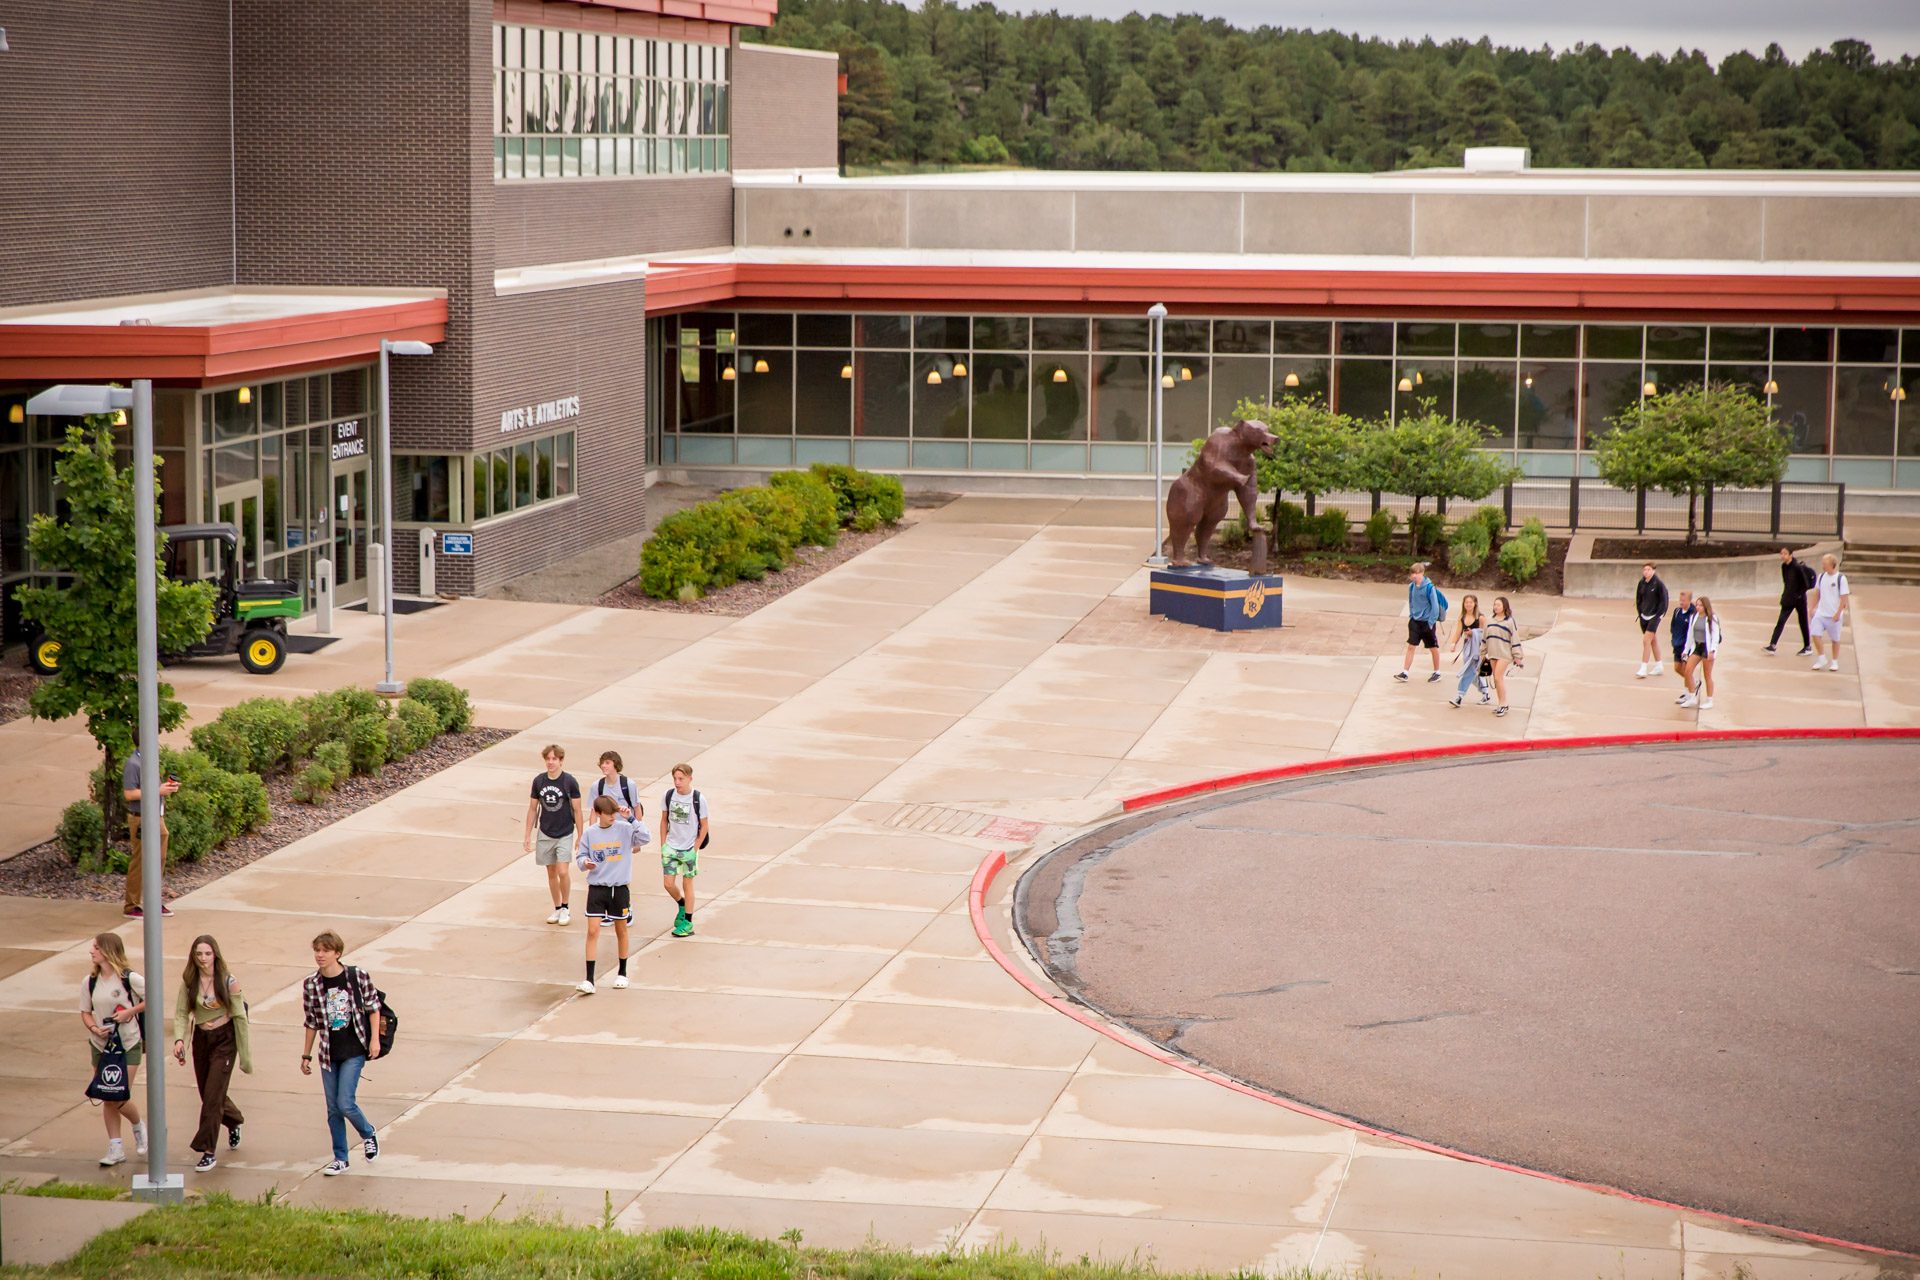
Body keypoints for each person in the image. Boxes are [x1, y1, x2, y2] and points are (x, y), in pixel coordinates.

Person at [300, 930, 383, 1177]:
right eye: (317, 950)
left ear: (337, 953)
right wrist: (305, 1055)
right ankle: (340, 1158)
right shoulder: (311, 984)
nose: (320, 955)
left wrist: (375, 1040)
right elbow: (311, 1021)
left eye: (325, 950)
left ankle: (368, 1133)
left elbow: (373, 1007)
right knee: (333, 1109)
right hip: (328, 1053)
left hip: (354, 1050)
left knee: (345, 1103)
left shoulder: (357, 976)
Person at [172, 934, 250, 1171]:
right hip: (202, 1040)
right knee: (209, 1095)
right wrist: (179, 1039)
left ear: (215, 954)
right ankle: (234, 1120)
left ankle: (208, 1151)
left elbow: (240, 1017)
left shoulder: (228, 981)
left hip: (225, 1040)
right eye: (198, 954)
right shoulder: (189, 981)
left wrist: (245, 1057)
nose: (203, 958)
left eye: (207, 953)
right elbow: (181, 1014)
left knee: (213, 1097)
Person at [81, 933, 147, 1167]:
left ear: (108, 951)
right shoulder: (90, 981)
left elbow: (152, 998)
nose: (92, 951)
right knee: (108, 1094)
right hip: (101, 1045)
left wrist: (129, 1012)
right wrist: (93, 1028)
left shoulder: (130, 979)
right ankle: (115, 1147)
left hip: (127, 1042)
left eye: (96, 947)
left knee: (119, 1095)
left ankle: (138, 1125)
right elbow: (85, 1011)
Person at [574, 796, 650, 994]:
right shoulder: (590, 833)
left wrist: (631, 818)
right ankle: (589, 980)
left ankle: (622, 973)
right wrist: (585, 864)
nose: (612, 817)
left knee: (621, 930)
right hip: (597, 888)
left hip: (619, 889)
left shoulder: (625, 828)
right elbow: (581, 857)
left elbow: (645, 837)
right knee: (592, 931)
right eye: (608, 814)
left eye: (614, 813)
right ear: (598, 814)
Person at [523, 745, 583, 926]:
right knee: (551, 872)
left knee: (563, 871)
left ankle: (565, 906)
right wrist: (527, 834)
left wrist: (581, 835)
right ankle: (557, 908)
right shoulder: (539, 781)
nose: (551, 762)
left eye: (554, 759)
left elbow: (578, 810)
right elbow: (533, 808)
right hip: (545, 832)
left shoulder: (569, 782)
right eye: (548, 759)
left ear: (561, 761)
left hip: (564, 832)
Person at [120, 749, 179, 918]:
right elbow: (129, 793)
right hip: (141, 818)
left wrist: (166, 789)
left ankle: (153, 902)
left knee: (159, 858)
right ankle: (132, 905)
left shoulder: (151, 760)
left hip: (157, 817)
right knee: (141, 860)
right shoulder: (133, 764)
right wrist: (158, 791)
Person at [659, 764, 710, 939]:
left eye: (681, 779)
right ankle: (681, 904)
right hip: (672, 846)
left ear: (690, 779)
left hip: (689, 848)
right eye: (675, 778)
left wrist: (694, 849)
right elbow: (664, 821)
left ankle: (688, 922)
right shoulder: (668, 796)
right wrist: (663, 844)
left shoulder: (698, 799)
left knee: (687, 884)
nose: (677, 782)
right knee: (668, 884)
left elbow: (704, 826)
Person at [1394, 562, 1447, 684]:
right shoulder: (1411, 587)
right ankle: (1405, 672)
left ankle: (1437, 672)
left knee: (1433, 647)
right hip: (1415, 621)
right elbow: (1411, 601)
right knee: (1411, 646)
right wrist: (1412, 615)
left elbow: (1434, 606)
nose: (1414, 576)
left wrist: (1431, 622)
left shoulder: (1429, 588)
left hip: (1427, 623)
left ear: (1422, 573)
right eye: (1412, 573)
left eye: (1416, 573)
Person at [1765, 547, 1816, 657]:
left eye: (1785, 554)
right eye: (1781, 553)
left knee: (1803, 622)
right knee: (1781, 621)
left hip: (1799, 599)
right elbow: (1786, 582)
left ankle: (1807, 646)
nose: (1782, 556)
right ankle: (1772, 645)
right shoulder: (1784, 567)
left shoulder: (1797, 567)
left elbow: (1806, 584)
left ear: (1791, 555)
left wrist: (1798, 595)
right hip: (1788, 599)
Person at [1809, 554, 1850, 673]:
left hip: (1833, 615)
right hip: (1821, 613)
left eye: (1825, 564)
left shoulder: (1840, 579)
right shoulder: (1821, 576)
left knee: (1835, 639)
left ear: (1832, 565)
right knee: (1815, 633)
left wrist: (1838, 613)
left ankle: (1834, 661)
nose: (1823, 566)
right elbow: (1817, 594)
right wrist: (1811, 608)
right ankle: (1821, 657)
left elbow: (1843, 598)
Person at [1446, 594, 1488, 709]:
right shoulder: (1462, 617)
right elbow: (1458, 631)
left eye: (1470, 602)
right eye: (1466, 602)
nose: (1468, 604)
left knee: (1468, 672)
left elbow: (1483, 634)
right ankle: (1485, 692)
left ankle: (1459, 696)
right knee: (1473, 673)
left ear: (1475, 604)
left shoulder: (1480, 617)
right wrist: (1453, 643)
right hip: (1467, 647)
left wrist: (1473, 633)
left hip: (1477, 648)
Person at [1680, 595, 1722, 710]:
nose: (1697, 607)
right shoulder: (1694, 617)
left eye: (1700, 605)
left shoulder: (1712, 618)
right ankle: (1692, 697)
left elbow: (1715, 636)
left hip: (1707, 649)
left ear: (1705, 606)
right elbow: (1690, 635)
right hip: (1697, 647)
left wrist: (1712, 651)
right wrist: (1686, 650)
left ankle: (1709, 700)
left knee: (1707, 675)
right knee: (1687, 671)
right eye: (1697, 605)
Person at [1484, 597, 1517, 718]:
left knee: (1498, 677)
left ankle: (1502, 704)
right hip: (1493, 653)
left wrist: (1517, 656)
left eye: (1498, 605)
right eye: (1494, 605)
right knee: (1496, 679)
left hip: (1504, 654)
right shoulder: (1489, 619)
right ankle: (1502, 703)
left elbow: (1515, 638)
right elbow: (1484, 637)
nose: (1496, 607)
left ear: (1504, 606)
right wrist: (1483, 652)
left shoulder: (1509, 621)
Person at [1634, 562, 1669, 678]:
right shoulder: (1641, 583)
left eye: (1648, 569)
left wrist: (1659, 614)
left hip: (1654, 616)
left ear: (1654, 570)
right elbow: (1638, 598)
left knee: (1646, 640)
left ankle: (1643, 667)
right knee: (1653, 641)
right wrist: (1640, 612)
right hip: (1644, 616)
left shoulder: (1658, 584)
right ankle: (1659, 665)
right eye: (1644, 569)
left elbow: (1664, 600)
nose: (1646, 572)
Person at [590, 751, 641, 823]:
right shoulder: (597, 786)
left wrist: (638, 830)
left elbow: (637, 809)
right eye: (602, 763)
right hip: (607, 829)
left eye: (607, 763)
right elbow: (594, 812)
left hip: (626, 829)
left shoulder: (629, 784)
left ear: (616, 764)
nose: (603, 766)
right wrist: (592, 832)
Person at [1669, 590, 1700, 704]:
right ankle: (1693, 682)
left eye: (1684, 600)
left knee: (1687, 670)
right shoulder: (1677, 611)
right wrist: (1674, 638)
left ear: (1689, 600)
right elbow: (1673, 626)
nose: (1681, 603)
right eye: (1680, 600)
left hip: (1686, 646)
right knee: (1677, 668)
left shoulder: (1693, 613)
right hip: (1677, 644)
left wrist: (1689, 647)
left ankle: (1688, 694)